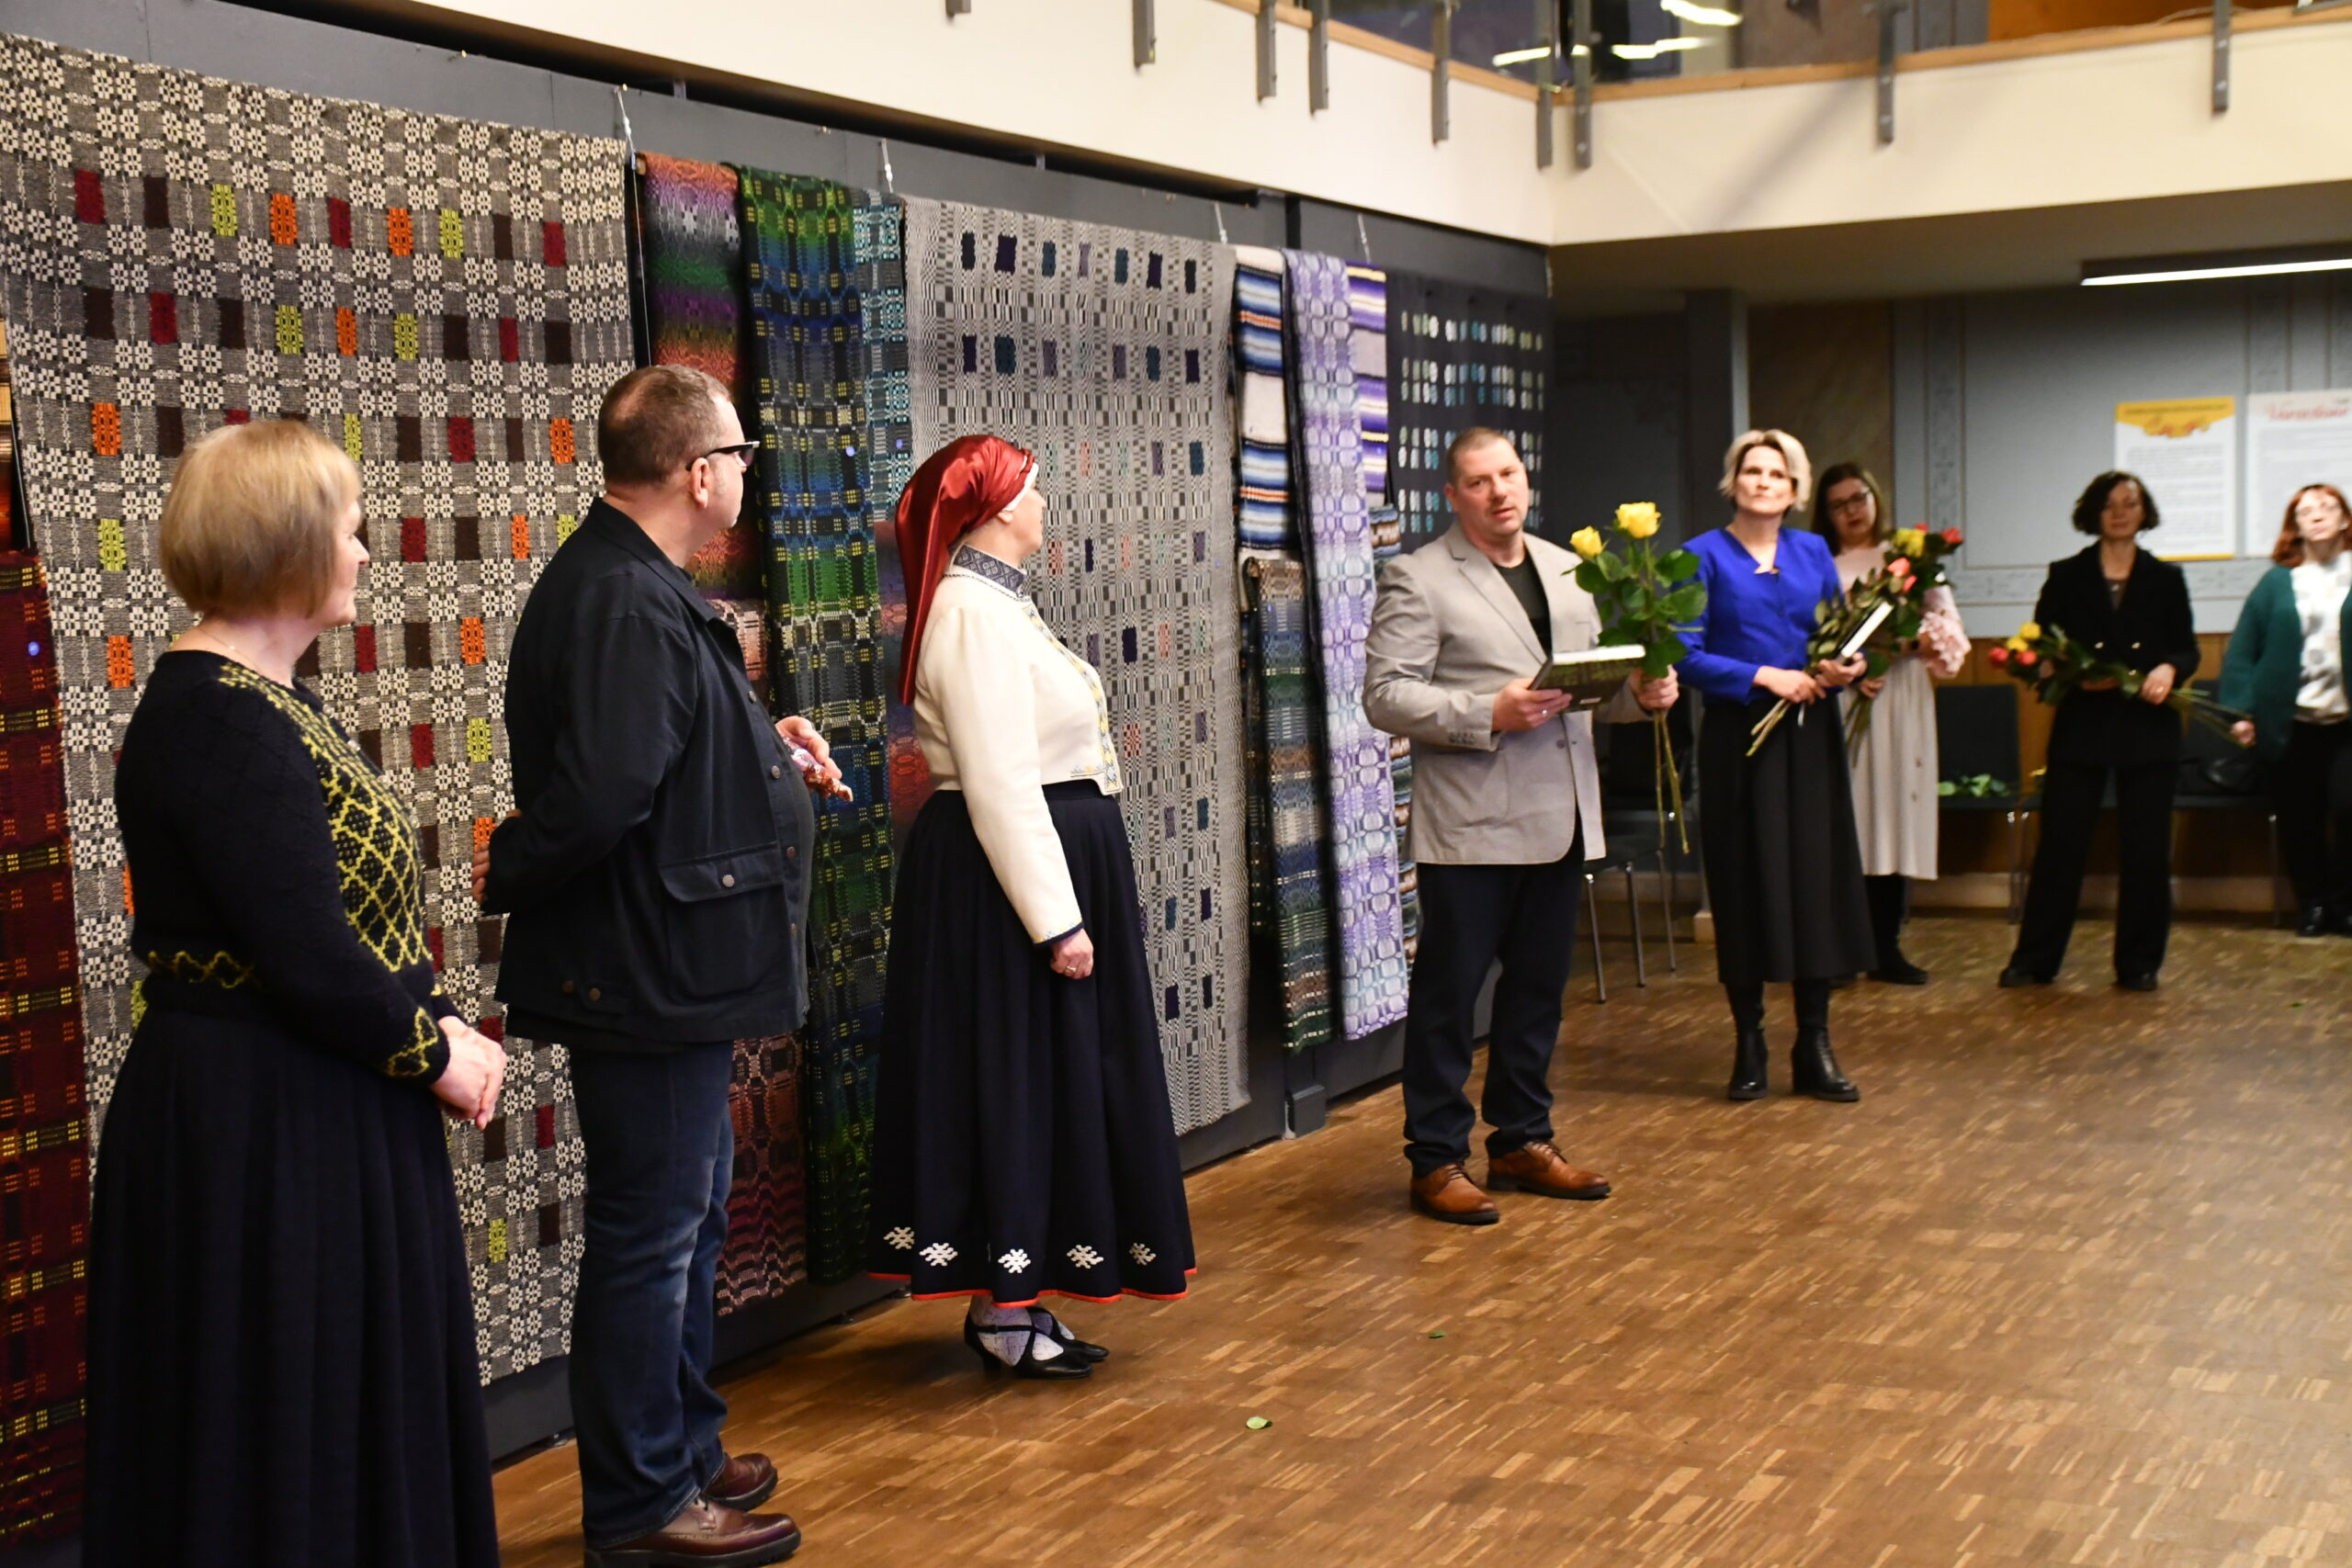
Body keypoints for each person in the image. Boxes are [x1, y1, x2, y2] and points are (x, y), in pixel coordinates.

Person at [87, 420, 508, 1567]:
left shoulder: (259, 701)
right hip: (264, 1122)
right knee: (286, 1411)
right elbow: (305, 952)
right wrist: (436, 1052)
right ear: (285, 544)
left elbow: (345, 920)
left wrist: (434, 1017)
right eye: (349, 528)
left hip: (311, 1101)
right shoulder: (219, 717)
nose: (365, 552)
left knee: (333, 1400)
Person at [476, 365, 836, 1567]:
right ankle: (641, 1504)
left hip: (666, 965)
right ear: (697, 472)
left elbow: (657, 752)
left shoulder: (635, 583)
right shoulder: (626, 597)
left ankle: (680, 1447)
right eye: (738, 455)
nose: (745, 474)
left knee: (682, 1218)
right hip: (645, 973)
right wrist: (509, 865)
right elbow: (601, 796)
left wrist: (762, 747)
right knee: (653, 1233)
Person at [865, 434, 1195, 1377]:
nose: (1045, 505)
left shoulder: (1001, 606)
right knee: (1011, 1074)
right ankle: (1003, 1307)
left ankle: (1017, 1296)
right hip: (1003, 878)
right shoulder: (971, 613)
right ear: (1002, 505)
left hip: (1038, 859)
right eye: (1035, 489)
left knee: (1043, 1076)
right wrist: (1057, 920)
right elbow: (1002, 783)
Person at [1363, 428, 1677, 1225]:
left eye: (1508, 473)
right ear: (1452, 495)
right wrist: (1485, 711)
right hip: (1471, 825)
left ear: (1525, 479)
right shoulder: (1418, 576)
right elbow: (1386, 696)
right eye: (1478, 480)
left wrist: (1642, 694)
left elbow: (1587, 691)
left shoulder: (1570, 571)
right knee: (1449, 997)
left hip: (1561, 816)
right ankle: (1436, 1158)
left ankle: (1521, 1139)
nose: (1499, 491)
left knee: (1537, 992)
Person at [1679, 430, 1874, 1103]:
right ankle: (1749, 1040)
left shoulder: (1813, 550)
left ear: (1796, 489)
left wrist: (1846, 666)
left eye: (1777, 473)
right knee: (1743, 882)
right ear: (1733, 482)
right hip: (1738, 738)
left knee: (1815, 882)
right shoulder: (1698, 556)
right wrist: (1765, 676)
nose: (1763, 481)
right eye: (1752, 470)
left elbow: (1839, 636)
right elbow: (1683, 655)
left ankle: (1814, 1042)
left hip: (1809, 734)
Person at [2000, 471, 2198, 992]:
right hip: (2083, 727)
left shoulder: (2166, 578)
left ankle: (2139, 964)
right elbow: (2043, 646)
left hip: (2148, 728)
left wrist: (2168, 669)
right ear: (2094, 512)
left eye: (2130, 503)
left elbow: (2186, 649)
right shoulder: (2066, 575)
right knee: (2060, 847)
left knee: (2146, 852)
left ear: (2144, 511)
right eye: (2109, 504)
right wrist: (2066, 673)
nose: (2120, 512)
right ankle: (2035, 960)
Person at [1818, 463, 1970, 985]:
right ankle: (1842, 950)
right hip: (1843, 699)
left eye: (1858, 498)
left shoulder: (1911, 561)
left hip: (1899, 696)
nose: (1851, 511)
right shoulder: (1819, 563)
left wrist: (1891, 649)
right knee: (1850, 820)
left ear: (1874, 497)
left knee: (1894, 815)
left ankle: (1885, 947)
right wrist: (1850, 667)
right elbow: (1809, 635)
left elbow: (1950, 635)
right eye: (1838, 505)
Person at [2220, 483, 2352, 936]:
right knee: (2300, 818)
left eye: (2327, 507)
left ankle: (2345, 905)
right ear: (2295, 525)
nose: (2317, 515)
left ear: (2344, 519)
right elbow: (2243, 650)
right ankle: (2312, 905)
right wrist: (2240, 711)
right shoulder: (2276, 582)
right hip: (2291, 723)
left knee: (2349, 811)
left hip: (2347, 722)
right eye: (2306, 510)